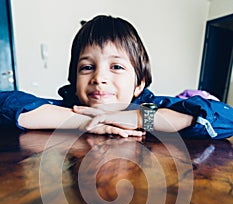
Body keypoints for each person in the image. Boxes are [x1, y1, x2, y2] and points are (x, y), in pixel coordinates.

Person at [0, 14, 233, 139]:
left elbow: (225, 119)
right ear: (74, 79)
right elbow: (7, 104)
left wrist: (140, 119)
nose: (99, 77)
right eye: (87, 67)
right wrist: (83, 122)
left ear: (139, 84)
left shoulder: (150, 107)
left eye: (117, 67)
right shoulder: (71, 108)